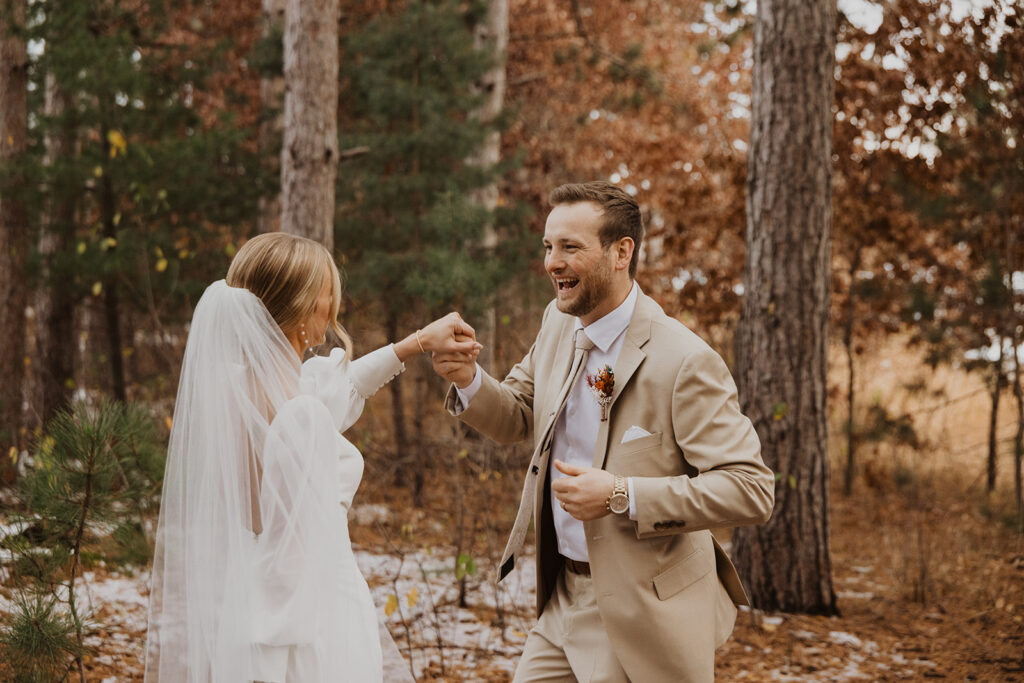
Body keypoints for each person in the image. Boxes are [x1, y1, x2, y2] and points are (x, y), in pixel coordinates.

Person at [433, 181, 775, 682]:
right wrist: (467, 380)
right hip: (559, 600)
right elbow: (519, 415)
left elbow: (750, 489)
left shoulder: (684, 360)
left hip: (639, 612)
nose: (552, 262)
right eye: (548, 247)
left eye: (570, 247)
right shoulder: (556, 322)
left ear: (621, 252)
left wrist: (621, 494)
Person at [144, 232, 480, 682]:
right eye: (326, 294)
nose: (333, 306)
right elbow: (291, 549)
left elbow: (340, 388)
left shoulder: (238, 389)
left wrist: (416, 342)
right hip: (311, 622)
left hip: (251, 606)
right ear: (300, 306)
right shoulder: (299, 412)